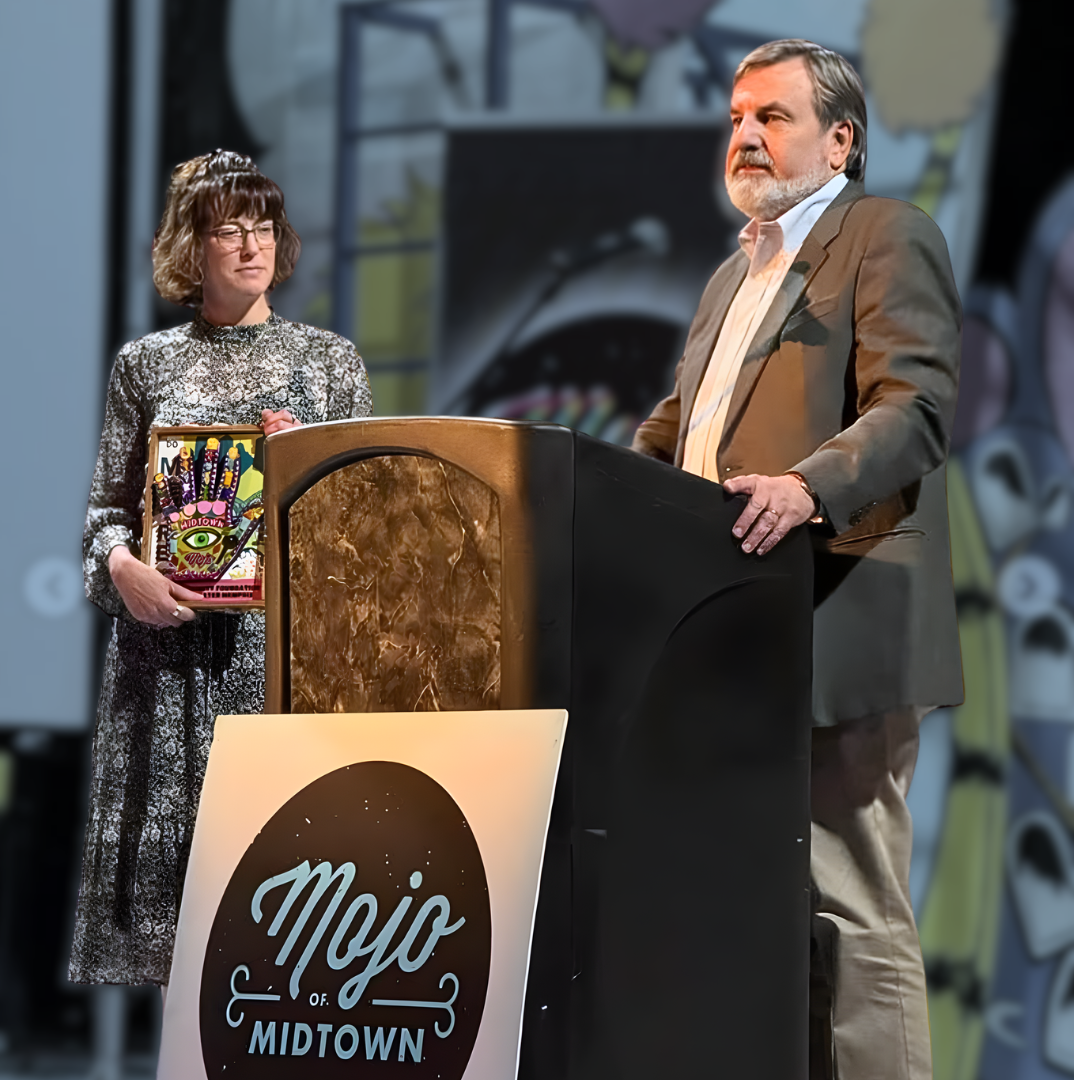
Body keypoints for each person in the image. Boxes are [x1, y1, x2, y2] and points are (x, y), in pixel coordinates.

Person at [632, 40, 963, 1080]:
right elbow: (684, 431)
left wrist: (808, 486)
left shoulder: (883, 235)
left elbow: (915, 407)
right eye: (737, 116)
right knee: (752, 914)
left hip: (837, 616)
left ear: (841, 138)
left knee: (850, 907)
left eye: (771, 116)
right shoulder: (737, 271)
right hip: (730, 636)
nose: (744, 135)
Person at [69, 151, 372, 991]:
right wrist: (123, 569)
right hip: (165, 672)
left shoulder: (329, 362)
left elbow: (367, 527)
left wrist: (304, 462)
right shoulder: (147, 364)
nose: (250, 247)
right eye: (228, 231)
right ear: (190, 249)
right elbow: (103, 518)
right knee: (177, 932)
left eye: (263, 228)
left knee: (287, 917)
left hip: (278, 665)